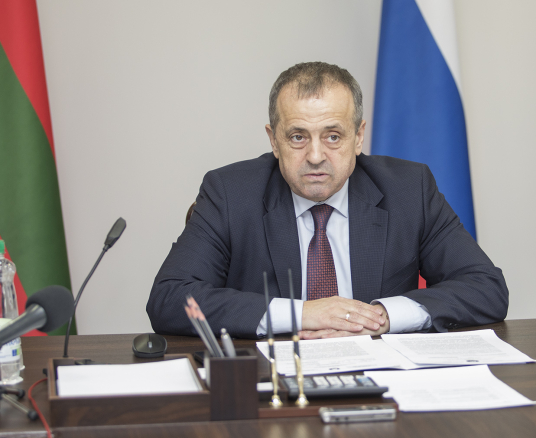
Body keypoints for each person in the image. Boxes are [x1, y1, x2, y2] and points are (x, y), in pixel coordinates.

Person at [147, 62, 508, 340]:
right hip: (274, 384)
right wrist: (304, 314)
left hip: (382, 380)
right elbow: (170, 298)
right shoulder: (230, 193)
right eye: (298, 137)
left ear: (359, 136)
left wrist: (380, 317)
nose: (316, 156)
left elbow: (485, 287)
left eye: (333, 136)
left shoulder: (409, 189)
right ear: (274, 140)